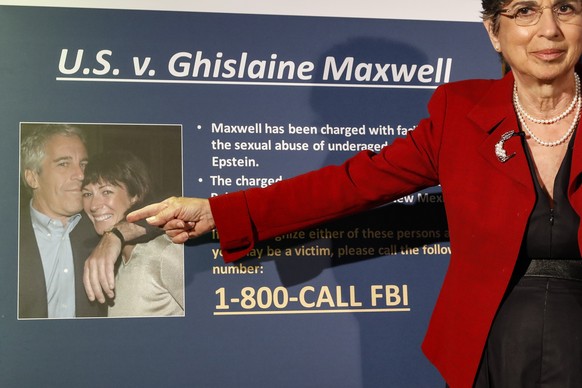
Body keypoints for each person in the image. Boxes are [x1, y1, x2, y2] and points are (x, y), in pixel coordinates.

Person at [86, 0, 582, 385]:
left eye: (566, 8)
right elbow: (351, 184)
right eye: (524, 11)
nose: (548, 29)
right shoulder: (460, 111)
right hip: (490, 334)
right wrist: (221, 211)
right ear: (494, 31)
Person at [19, 124, 149, 319]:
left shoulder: (101, 222)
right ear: (32, 177)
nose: (81, 175)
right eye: (64, 163)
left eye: (83, 164)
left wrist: (116, 235)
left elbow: (167, 212)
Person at [81, 151, 184, 317]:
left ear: (136, 195)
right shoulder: (117, 260)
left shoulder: (164, 252)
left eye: (106, 192)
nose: (93, 205)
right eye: (87, 194)